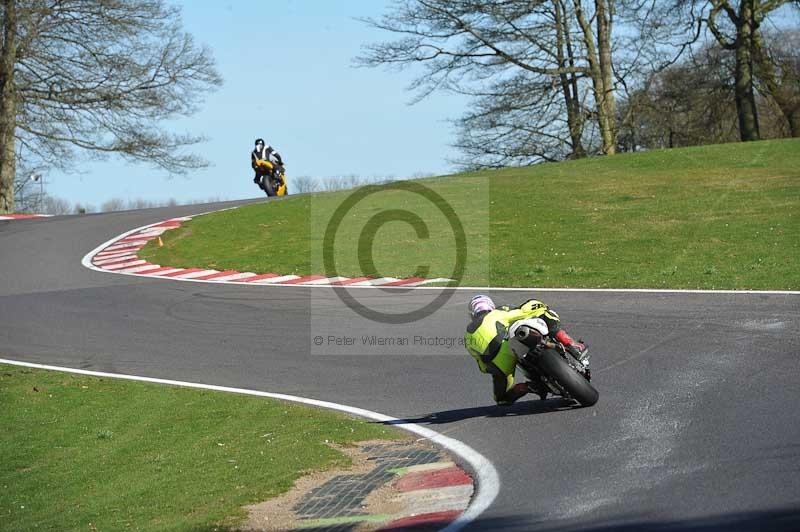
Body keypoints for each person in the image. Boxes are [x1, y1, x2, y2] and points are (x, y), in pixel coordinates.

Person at [463, 294, 588, 406]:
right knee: (543, 312)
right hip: (515, 340)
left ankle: (528, 387)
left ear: (472, 314)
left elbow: (483, 366)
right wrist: (540, 307)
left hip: (501, 362)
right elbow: (522, 311)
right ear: (491, 306)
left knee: (502, 399)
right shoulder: (498, 312)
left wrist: (500, 371)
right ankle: (571, 344)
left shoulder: (468, 336)